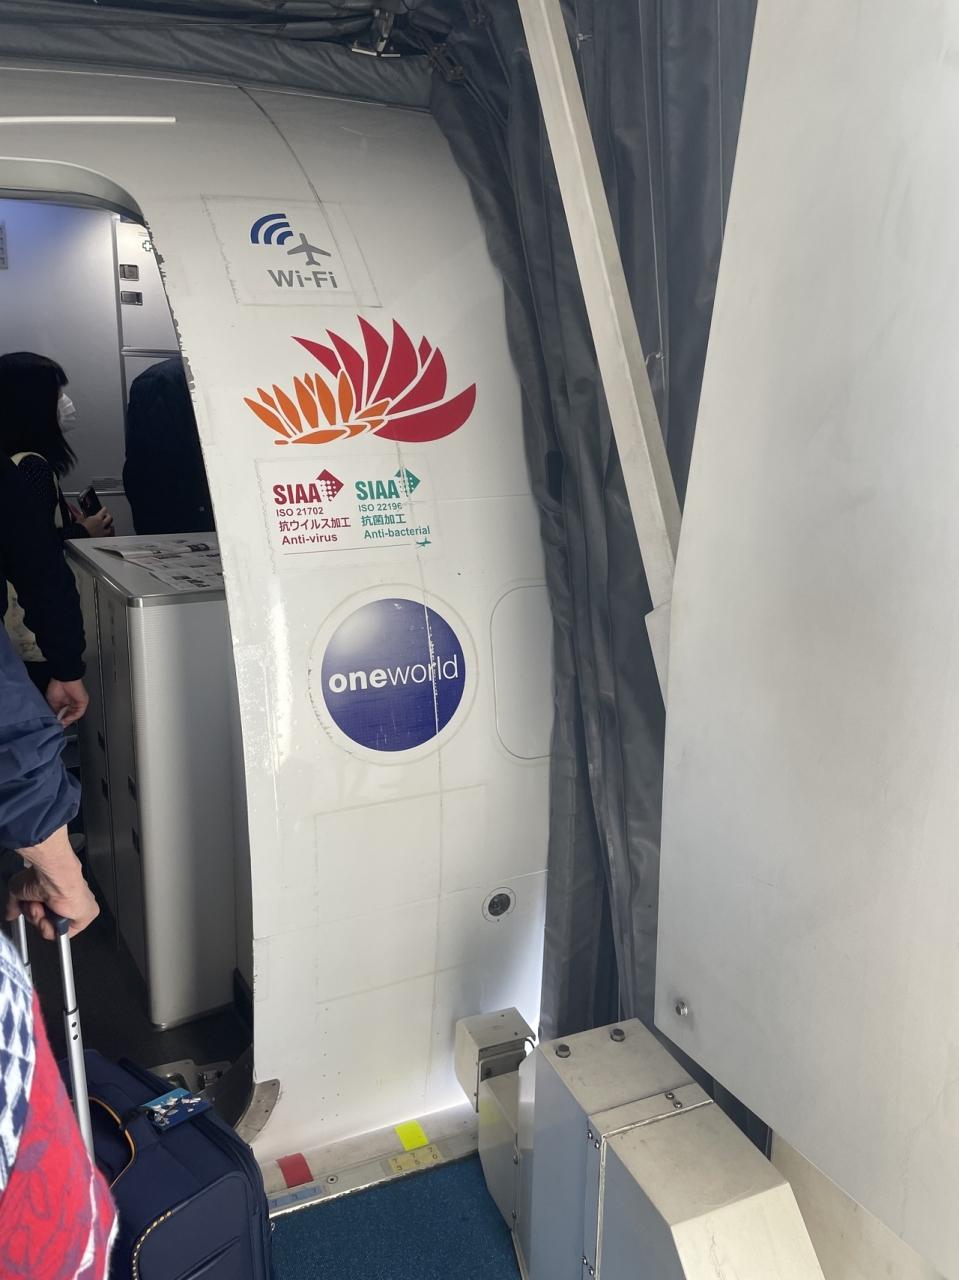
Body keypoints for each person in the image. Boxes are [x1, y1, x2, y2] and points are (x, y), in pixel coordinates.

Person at [0, 351, 113, 699]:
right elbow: (35, 551)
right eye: (58, 393)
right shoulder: (30, 466)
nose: (66, 403)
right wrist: (84, 531)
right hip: (32, 633)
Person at [124, 356, 215, 535]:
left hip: (184, 517)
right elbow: (154, 466)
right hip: (188, 515)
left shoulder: (161, 378)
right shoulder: (163, 381)